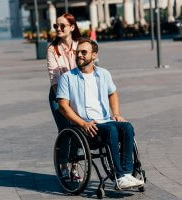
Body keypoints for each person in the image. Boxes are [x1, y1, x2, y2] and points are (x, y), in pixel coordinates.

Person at [57, 38, 144, 189]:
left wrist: (116, 113)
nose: (80, 55)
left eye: (84, 52)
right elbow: (63, 106)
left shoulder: (104, 74)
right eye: (78, 52)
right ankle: (119, 175)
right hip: (84, 126)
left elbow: (113, 93)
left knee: (127, 127)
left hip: (105, 120)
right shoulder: (67, 77)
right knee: (111, 130)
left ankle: (127, 173)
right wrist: (83, 123)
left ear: (94, 55)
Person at [46, 13, 82, 181]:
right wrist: (63, 100)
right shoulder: (52, 49)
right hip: (58, 96)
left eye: (62, 26)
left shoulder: (81, 45)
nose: (58, 29)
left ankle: (74, 166)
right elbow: (54, 79)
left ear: (72, 28)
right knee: (65, 130)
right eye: (56, 26)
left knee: (79, 130)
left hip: (79, 95)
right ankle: (63, 165)